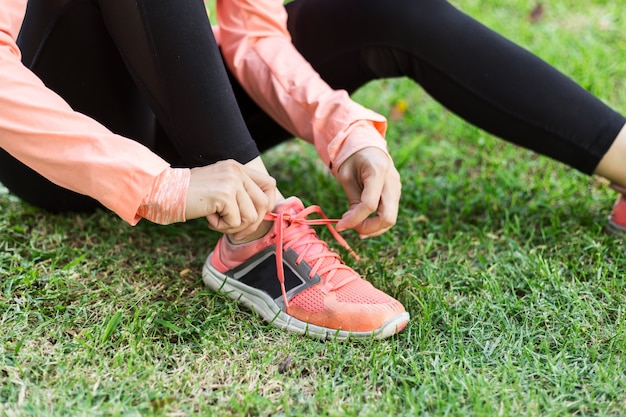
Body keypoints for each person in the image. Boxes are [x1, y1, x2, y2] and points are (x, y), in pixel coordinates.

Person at [0, 0, 624, 340]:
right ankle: (255, 240)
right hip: (60, 146)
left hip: (172, 94)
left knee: (385, 10)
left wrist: (341, 129)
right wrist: (161, 185)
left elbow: (252, 32)